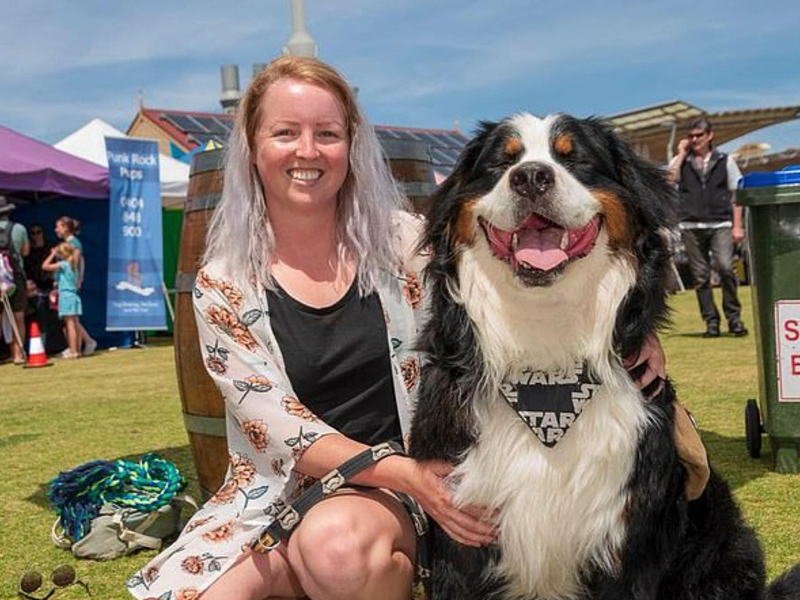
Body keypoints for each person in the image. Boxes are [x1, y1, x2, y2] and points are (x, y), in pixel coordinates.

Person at [128, 57, 707, 600]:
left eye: (327, 133)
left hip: (393, 491)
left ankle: (338, 571)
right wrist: (409, 475)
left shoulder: (403, 242)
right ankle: (297, 574)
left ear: (352, 145)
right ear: (252, 148)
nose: (307, 150)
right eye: (284, 133)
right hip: (279, 491)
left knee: (337, 550)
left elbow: (539, 287)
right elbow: (275, 426)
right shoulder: (222, 283)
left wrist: (631, 329)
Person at [667, 117, 748, 338]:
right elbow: (669, 180)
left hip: (721, 223)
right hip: (690, 225)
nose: (695, 139)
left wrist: (738, 225)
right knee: (701, 276)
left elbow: (737, 193)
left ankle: (734, 318)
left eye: (699, 135)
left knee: (725, 267)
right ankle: (711, 322)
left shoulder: (725, 160)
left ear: (710, 135)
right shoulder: (681, 161)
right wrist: (681, 153)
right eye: (691, 136)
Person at [54, 216, 97, 355]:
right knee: (72, 319)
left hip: (70, 285)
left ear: (66, 228)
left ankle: (83, 344)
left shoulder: (74, 243)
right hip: (65, 284)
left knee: (72, 318)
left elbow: (76, 264)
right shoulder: (67, 243)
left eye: (58, 227)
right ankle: (77, 347)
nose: (56, 230)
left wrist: (77, 280)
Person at [0, 195, 30, 365]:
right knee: (18, 316)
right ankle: (17, 354)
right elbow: (25, 252)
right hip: (15, 275)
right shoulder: (19, 228)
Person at [41, 242, 83, 359]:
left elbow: (44, 266)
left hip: (66, 296)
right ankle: (77, 350)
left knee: (69, 325)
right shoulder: (73, 265)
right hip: (73, 295)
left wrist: (52, 254)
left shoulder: (64, 264)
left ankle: (73, 351)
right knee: (75, 323)